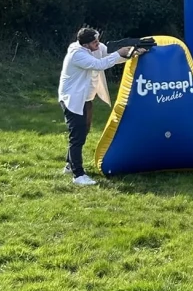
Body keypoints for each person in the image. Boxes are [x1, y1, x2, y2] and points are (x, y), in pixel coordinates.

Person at [58, 28, 147, 186]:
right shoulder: (77, 54)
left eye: (97, 40)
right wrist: (119, 52)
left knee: (82, 132)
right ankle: (78, 175)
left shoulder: (95, 48)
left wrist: (131, 53)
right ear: (85, 44)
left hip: (85, 98)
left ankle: (70, 165)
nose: (98, 44)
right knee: (77, 136)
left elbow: (111, 58)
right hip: (72, 99)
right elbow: (99, 64)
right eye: (94, 42)